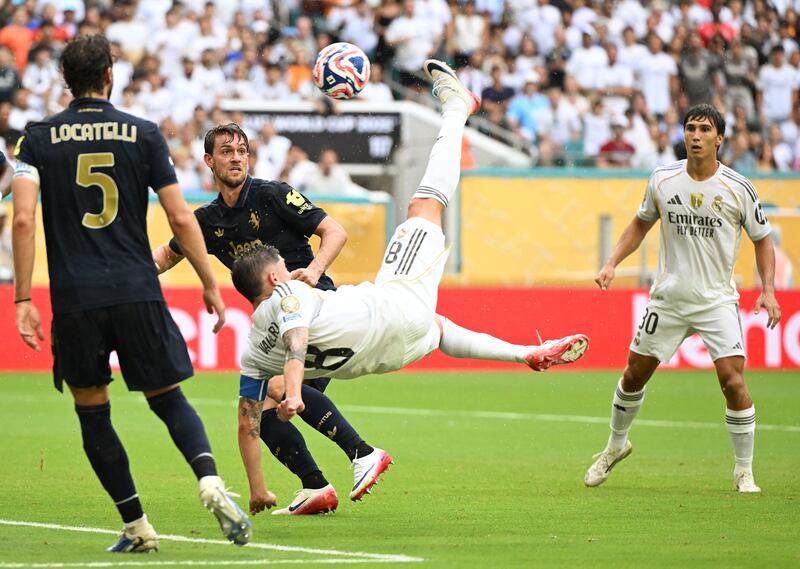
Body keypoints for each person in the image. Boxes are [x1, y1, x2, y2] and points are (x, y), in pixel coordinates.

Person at [228, 60, 590, 506]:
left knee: (433, 330)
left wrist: (256, 487)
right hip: (395, 309)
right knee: (423, 207)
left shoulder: (251, 351)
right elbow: (297, 335)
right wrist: (298, 389)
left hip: (391, 355)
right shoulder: (290, 293)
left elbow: (247, 419)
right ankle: (458, 107)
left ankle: (525, 352)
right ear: (273, 276)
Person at [11, 34, 251, 553]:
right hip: (138, 288)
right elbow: (181, 215)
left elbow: (25, 217)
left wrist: (23, 299)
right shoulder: (140, 133)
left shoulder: (37, 139)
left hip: (76, 299)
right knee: (168, 399)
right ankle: (209, 479)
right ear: (110, 75)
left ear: (65, 80)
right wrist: (210, 283)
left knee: (92, 412)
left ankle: (137, 525)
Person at [152, 123, 391, 516]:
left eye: (242, 150)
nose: (236, 157)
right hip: (275, 324)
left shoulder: (274, 194)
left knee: (276, 391)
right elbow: (165, 256)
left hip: (312, 306)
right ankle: (315, 487)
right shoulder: (208, 220)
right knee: (260, 413)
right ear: (209, 161)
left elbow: (334, 232)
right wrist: (124, 276)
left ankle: (364, 454)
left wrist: (313, 271)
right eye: (226, 151)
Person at [583, 104, 782, 494]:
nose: (695, 135)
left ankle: (744, 471)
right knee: (633, 374)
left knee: (733, 382)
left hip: (716, 301)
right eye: (690, 128)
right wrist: (611, 262)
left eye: (704, 129)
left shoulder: (739, 188)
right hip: (669, 298)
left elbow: (762, 241)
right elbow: (640, 223)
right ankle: (614, 447)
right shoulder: (662, 179)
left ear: (719, 139)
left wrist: (769, 290)